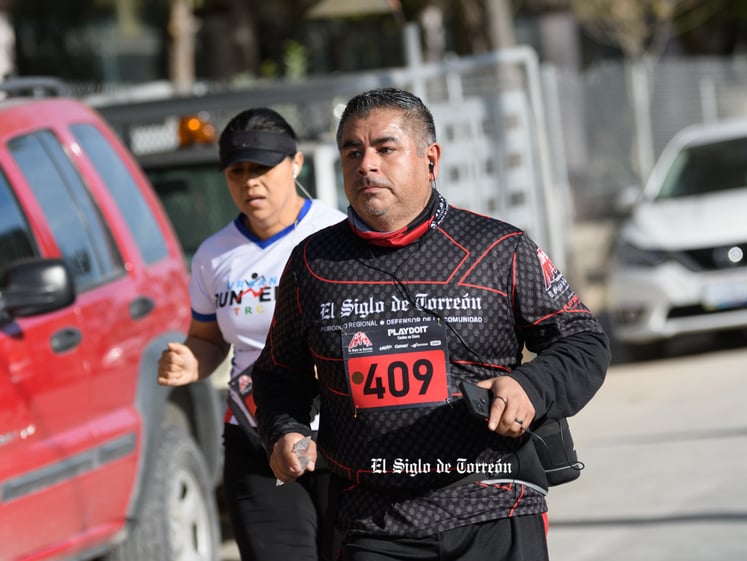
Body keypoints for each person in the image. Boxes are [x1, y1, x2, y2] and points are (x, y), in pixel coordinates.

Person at [251, 88, 610, 561]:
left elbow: (583, 341)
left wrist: (531, 386)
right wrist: (284, 430)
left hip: (493, 503)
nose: (366, 165)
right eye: (352, 152)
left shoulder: (498, 249)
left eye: (385, 148)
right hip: (373, 520)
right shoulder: (314, 265)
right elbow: (278, 375)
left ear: (430, 158)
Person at [157, 107, 346, 561]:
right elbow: (208, 340)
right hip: (255, 437)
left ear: (296, 163)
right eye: (237, 171)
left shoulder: (336, 235)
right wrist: (190, 360)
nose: (249, 182)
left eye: (262, 167)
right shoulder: (213, 255)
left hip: (341, 438)